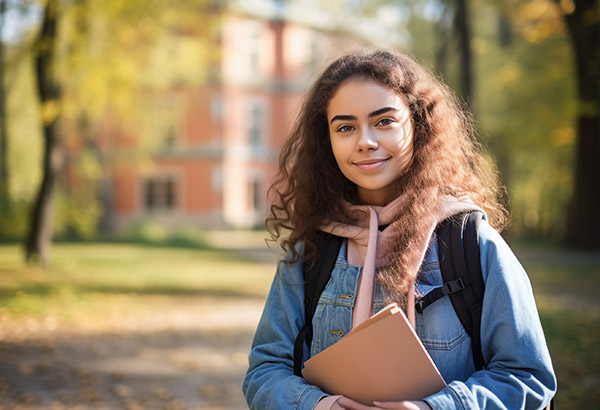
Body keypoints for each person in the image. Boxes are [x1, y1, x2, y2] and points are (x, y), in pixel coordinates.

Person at [242, 49, 556, 410]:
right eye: (345, 127)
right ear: (326, 141)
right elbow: (264, 372)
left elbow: (528, 376)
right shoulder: (312, 249)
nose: (365, 141)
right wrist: (319, 406)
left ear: (418, 124)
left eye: (384, 121)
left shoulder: (471, 241)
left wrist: (435, 408)